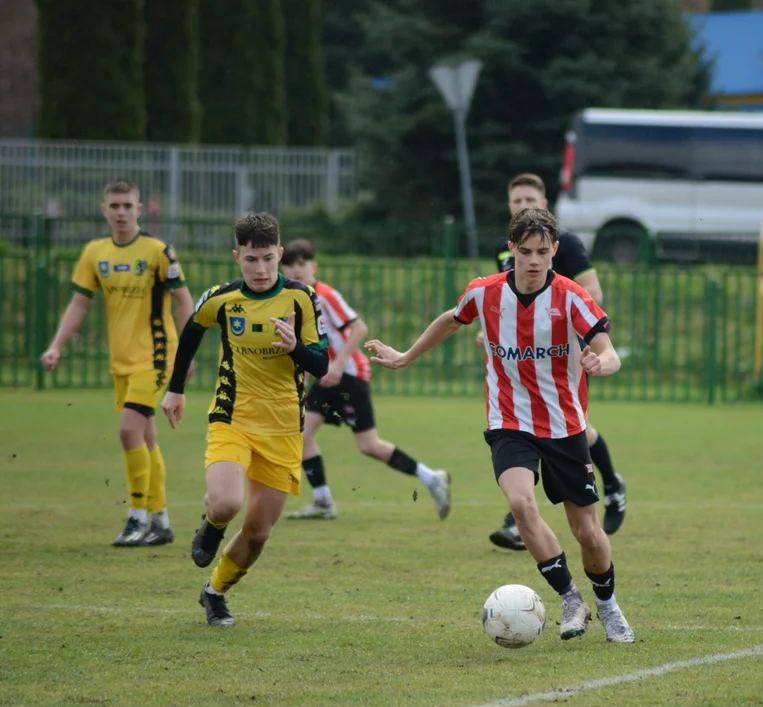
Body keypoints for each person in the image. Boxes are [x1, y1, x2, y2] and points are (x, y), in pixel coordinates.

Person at [366, 207, 635, 642]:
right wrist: (404, 356)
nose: (533, 261)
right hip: (509, 420)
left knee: (587, 530)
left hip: (565, 425)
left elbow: (611, 352)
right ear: (510, 249)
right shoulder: (484, 292)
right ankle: (570, 598)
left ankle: (607, 604)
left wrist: (599, 364)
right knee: (521, 503)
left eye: (542, 252)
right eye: (524, 251)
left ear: (555, 252)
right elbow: (450, 320)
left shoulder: (571, 297)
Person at [161, 212, 329, 627]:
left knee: (258, 533)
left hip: (286, 427)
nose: (260, 269)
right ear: (237, 256)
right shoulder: (221, 299)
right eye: (251, 259)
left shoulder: (301, 298)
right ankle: (212, 524)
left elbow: (322, 364)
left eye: (268, 259)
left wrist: (295, 348)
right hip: (231, 415)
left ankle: (214, 592)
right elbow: (191, 333)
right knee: (226, 502)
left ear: (280, 254)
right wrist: (175, 388)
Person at [40, 179, 193, 547]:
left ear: (139, 210)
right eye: (115, 205)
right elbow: (80, 303)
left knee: (128, 431)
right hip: (121, 361)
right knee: (146, 437)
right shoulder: (95, 253)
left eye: (128, 205)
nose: (121, 212)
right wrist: (56, 345)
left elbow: (184, 302)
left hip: (156, 357)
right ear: (103, 209)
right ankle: (161, 521)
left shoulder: (159, 252)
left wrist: (185, 356)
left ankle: (137, 517)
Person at [485, 173, 627, 552]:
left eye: (530, 198)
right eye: (516, 200)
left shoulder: (567, 246)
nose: (522, 205)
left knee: (570, 422)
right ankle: (520, 514)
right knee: (528, 421)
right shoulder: (505, 247)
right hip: (523, 350)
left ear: (545, 203)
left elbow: (591, 292)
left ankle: (611, 484)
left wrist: (582, 340)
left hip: (567, 347)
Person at [279, 239, 452, 520]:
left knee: (369, 445)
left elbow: (359, 328)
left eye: (303, 263)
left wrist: (336, 365)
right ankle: (323, 501)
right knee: (301, 436)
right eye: (290, 264)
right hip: (326, 378)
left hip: (348, 375)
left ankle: (431, 477)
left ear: (314, 265)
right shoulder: (293, 299)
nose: (297, 270)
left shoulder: (323, 295)